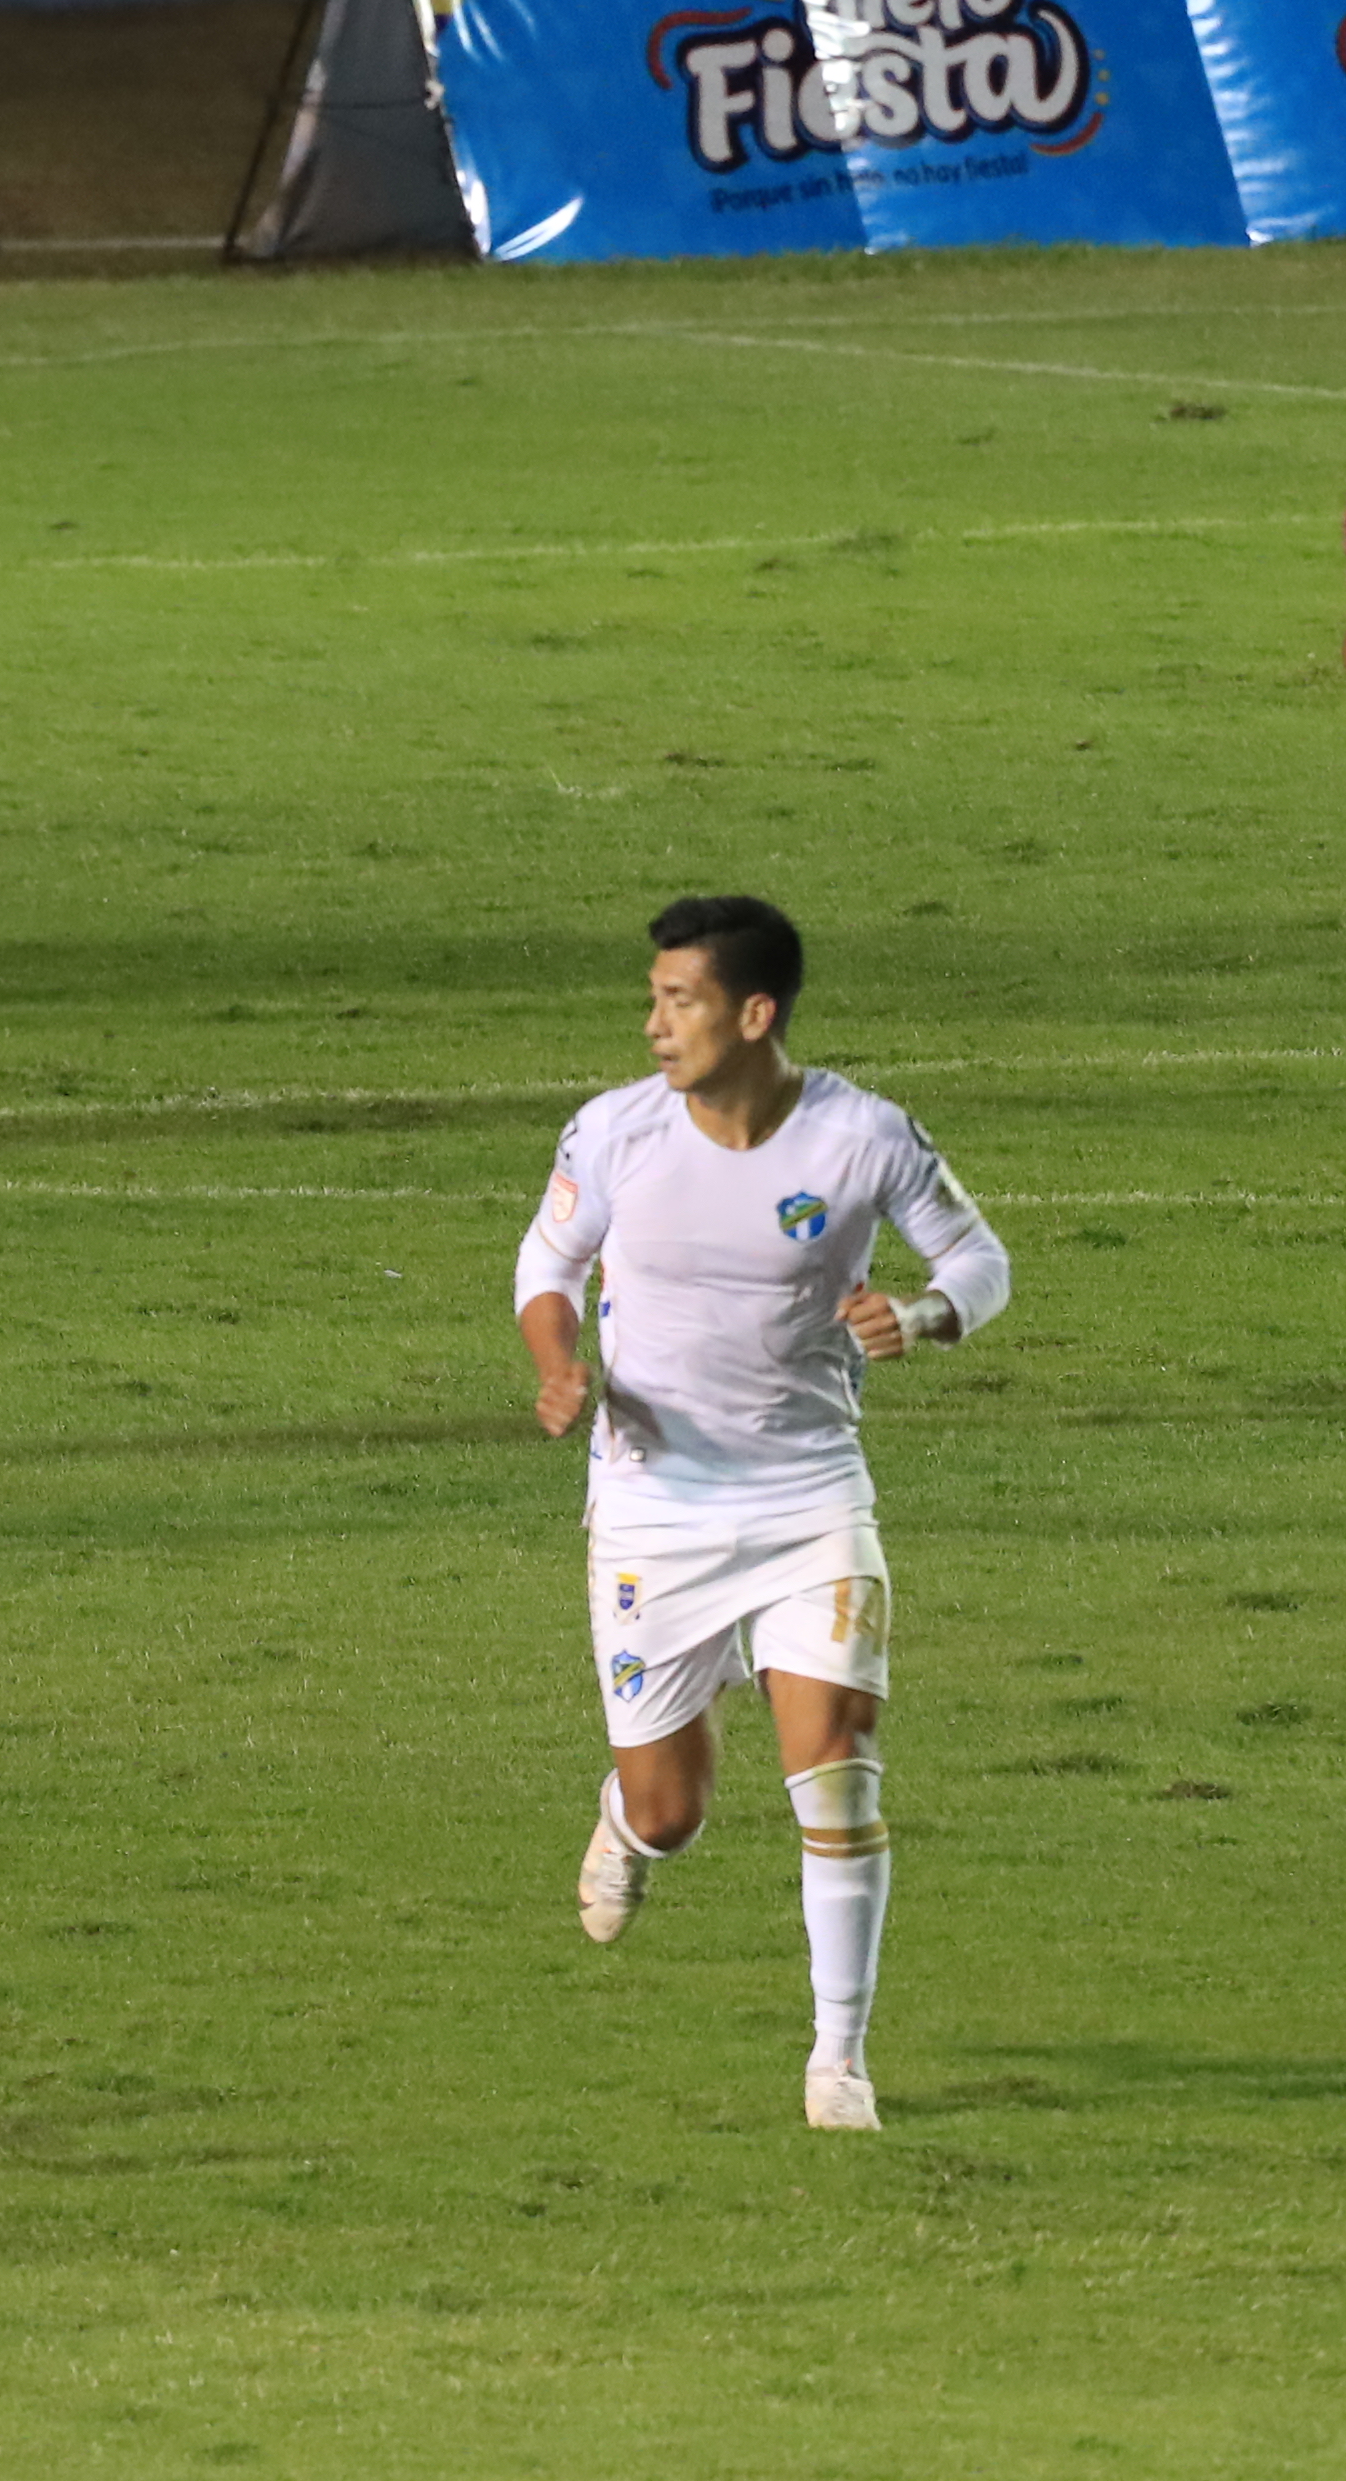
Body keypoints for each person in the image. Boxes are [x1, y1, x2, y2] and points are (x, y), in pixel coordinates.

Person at [514, 895, 1009, 2138]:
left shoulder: (863, 1139)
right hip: (652, 1511)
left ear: (754, 1013)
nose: (653, 1025)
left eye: (677, 1001)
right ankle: (630, 1828)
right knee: (676, 1811)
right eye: (652, 998)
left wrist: (928, 1314)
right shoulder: (616, 1133)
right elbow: (546, 1264)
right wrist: (557, 1362)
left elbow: (980, 1259)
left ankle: (838, 2060)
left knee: (836, 1767)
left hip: (808, 1498)